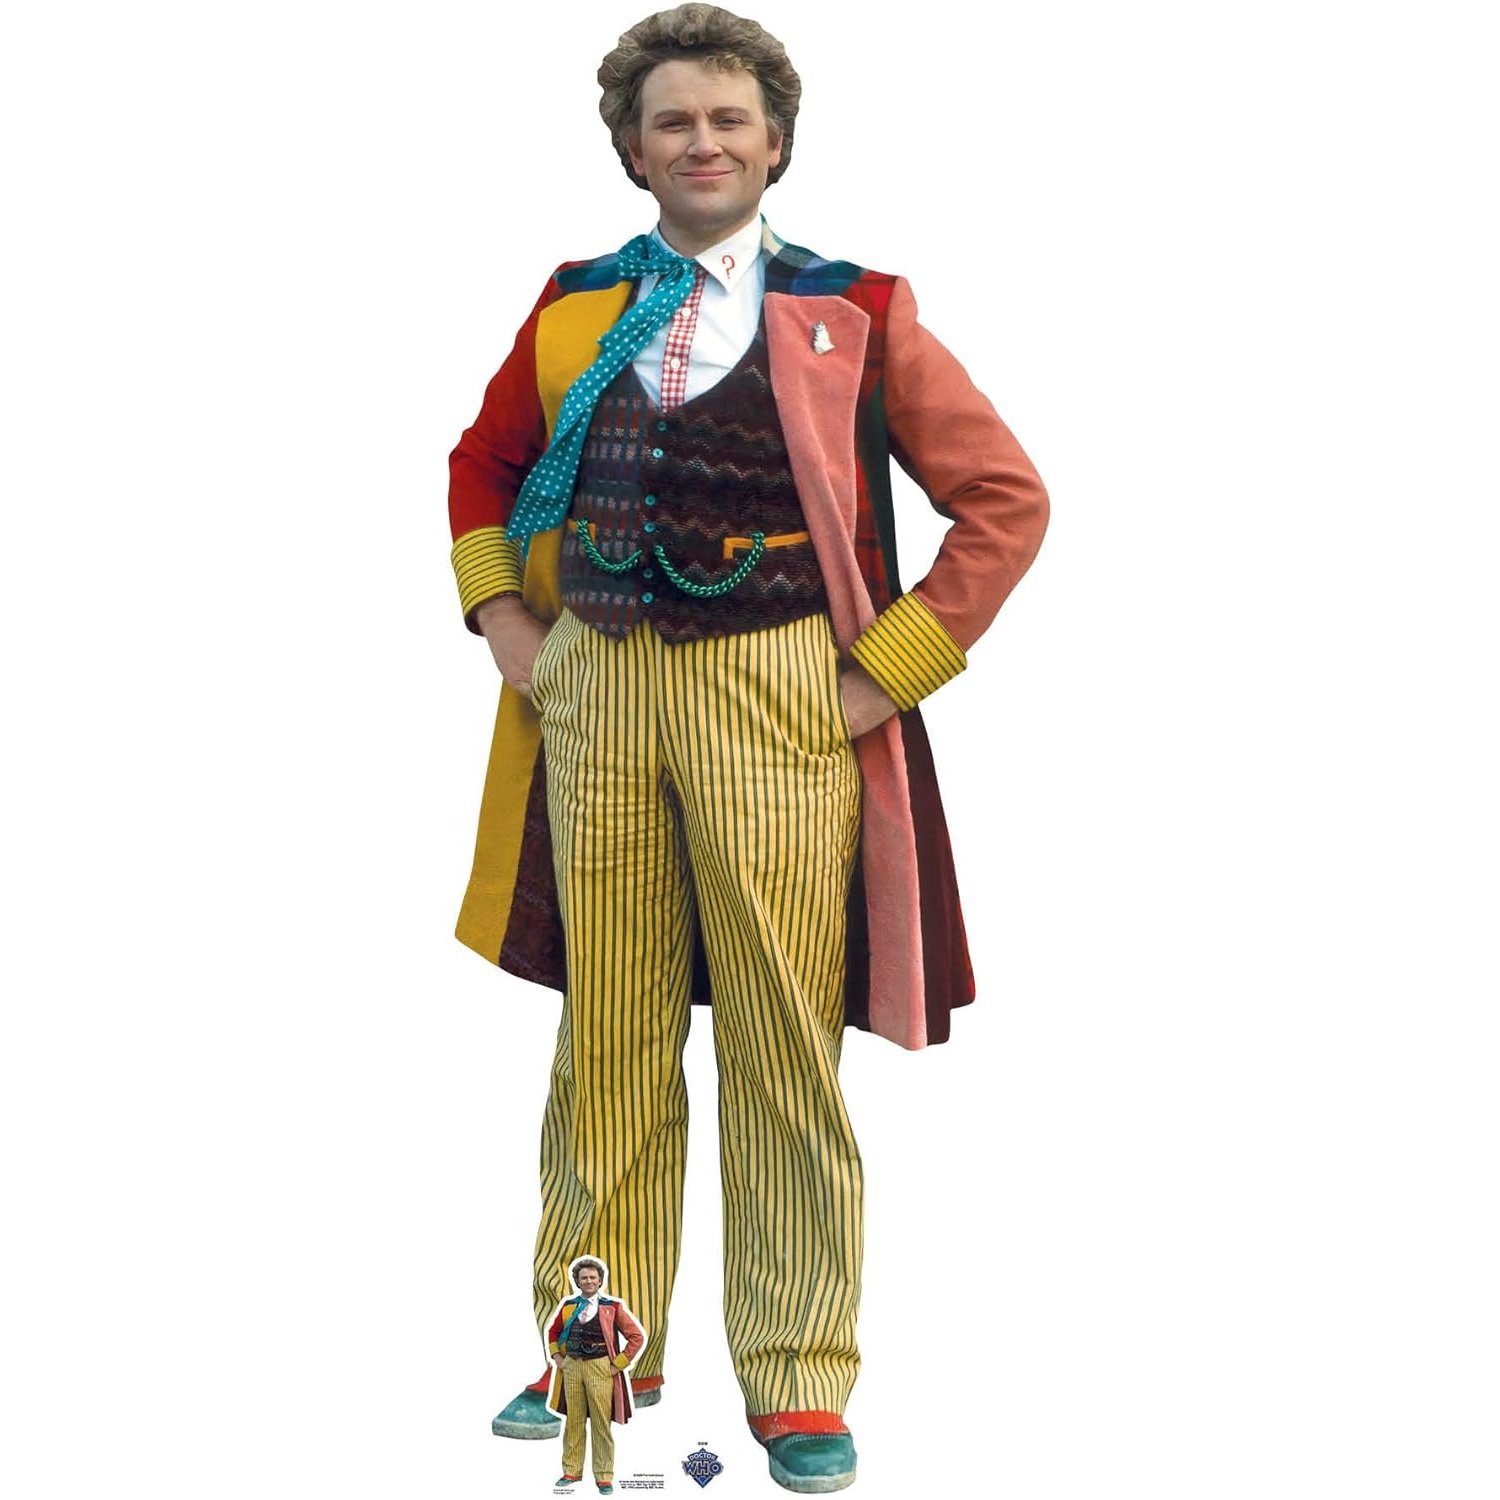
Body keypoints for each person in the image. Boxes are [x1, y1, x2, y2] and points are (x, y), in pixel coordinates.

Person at [449, 6, 1048, 1491]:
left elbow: (1004, 500)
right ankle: (600, 1345)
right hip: (597, 686)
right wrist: (508, 628)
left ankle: (796, 1375)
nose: (702, 143)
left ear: (774, 144)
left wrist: (882, 675)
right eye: (673, 122)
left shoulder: (858, 309)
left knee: (782, 1033)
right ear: (632, 150)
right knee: (609, 1033)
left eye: (728, 121)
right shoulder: (574, 306)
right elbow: (483, 467)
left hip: (777, 691)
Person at [546, 1258, 646, 1495]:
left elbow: (636, 1337)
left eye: (593, 1277)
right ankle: (571, 1471)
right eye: (584, 1278)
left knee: (601, 1423)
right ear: (577, 1281)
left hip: (600, 1367)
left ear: (600, 1281)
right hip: (572, 1367)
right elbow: (553, 1332)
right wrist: (557, 1358)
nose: (589, 1281)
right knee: (574, 1421)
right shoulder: (568, 1306)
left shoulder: (613, 1307)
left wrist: (618, 1365)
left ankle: (604, 1476)